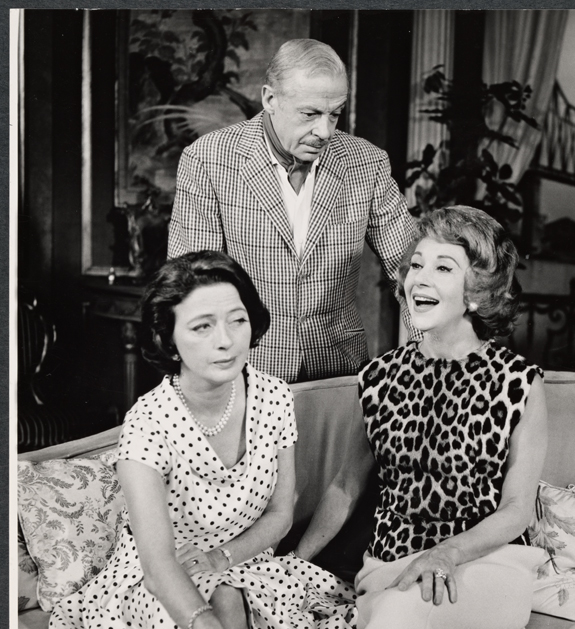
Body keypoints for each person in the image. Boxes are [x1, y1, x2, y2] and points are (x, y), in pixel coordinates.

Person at [43, 251, 356, 629]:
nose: (226, 341)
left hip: (247, 560)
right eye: (202, 326)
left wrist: (223, 559)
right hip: (163, 576)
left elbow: (280, 514)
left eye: (237, 320)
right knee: (221, 618)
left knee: (236, 599)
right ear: (167, 339)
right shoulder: (147, 426)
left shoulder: (273, 397)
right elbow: (159, 565)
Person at [294, 206, 552, 629]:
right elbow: (347, 486)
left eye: (443, 267)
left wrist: (448, 553)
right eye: (416, 264)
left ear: (477, 293)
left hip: (486, 564)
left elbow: (517, 510)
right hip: (391, 565)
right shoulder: (378, 378)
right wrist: (298, 565)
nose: (420, 278)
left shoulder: (519, 382)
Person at [168, 38, 419, 384]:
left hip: (338, 372)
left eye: (335, 114)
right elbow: (190, 286)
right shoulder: (208, 160)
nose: (325, 131)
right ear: (270, 99)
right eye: (310, 114)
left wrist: (429, 365)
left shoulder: (366, 162)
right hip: (244, 371)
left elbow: (413, 271)